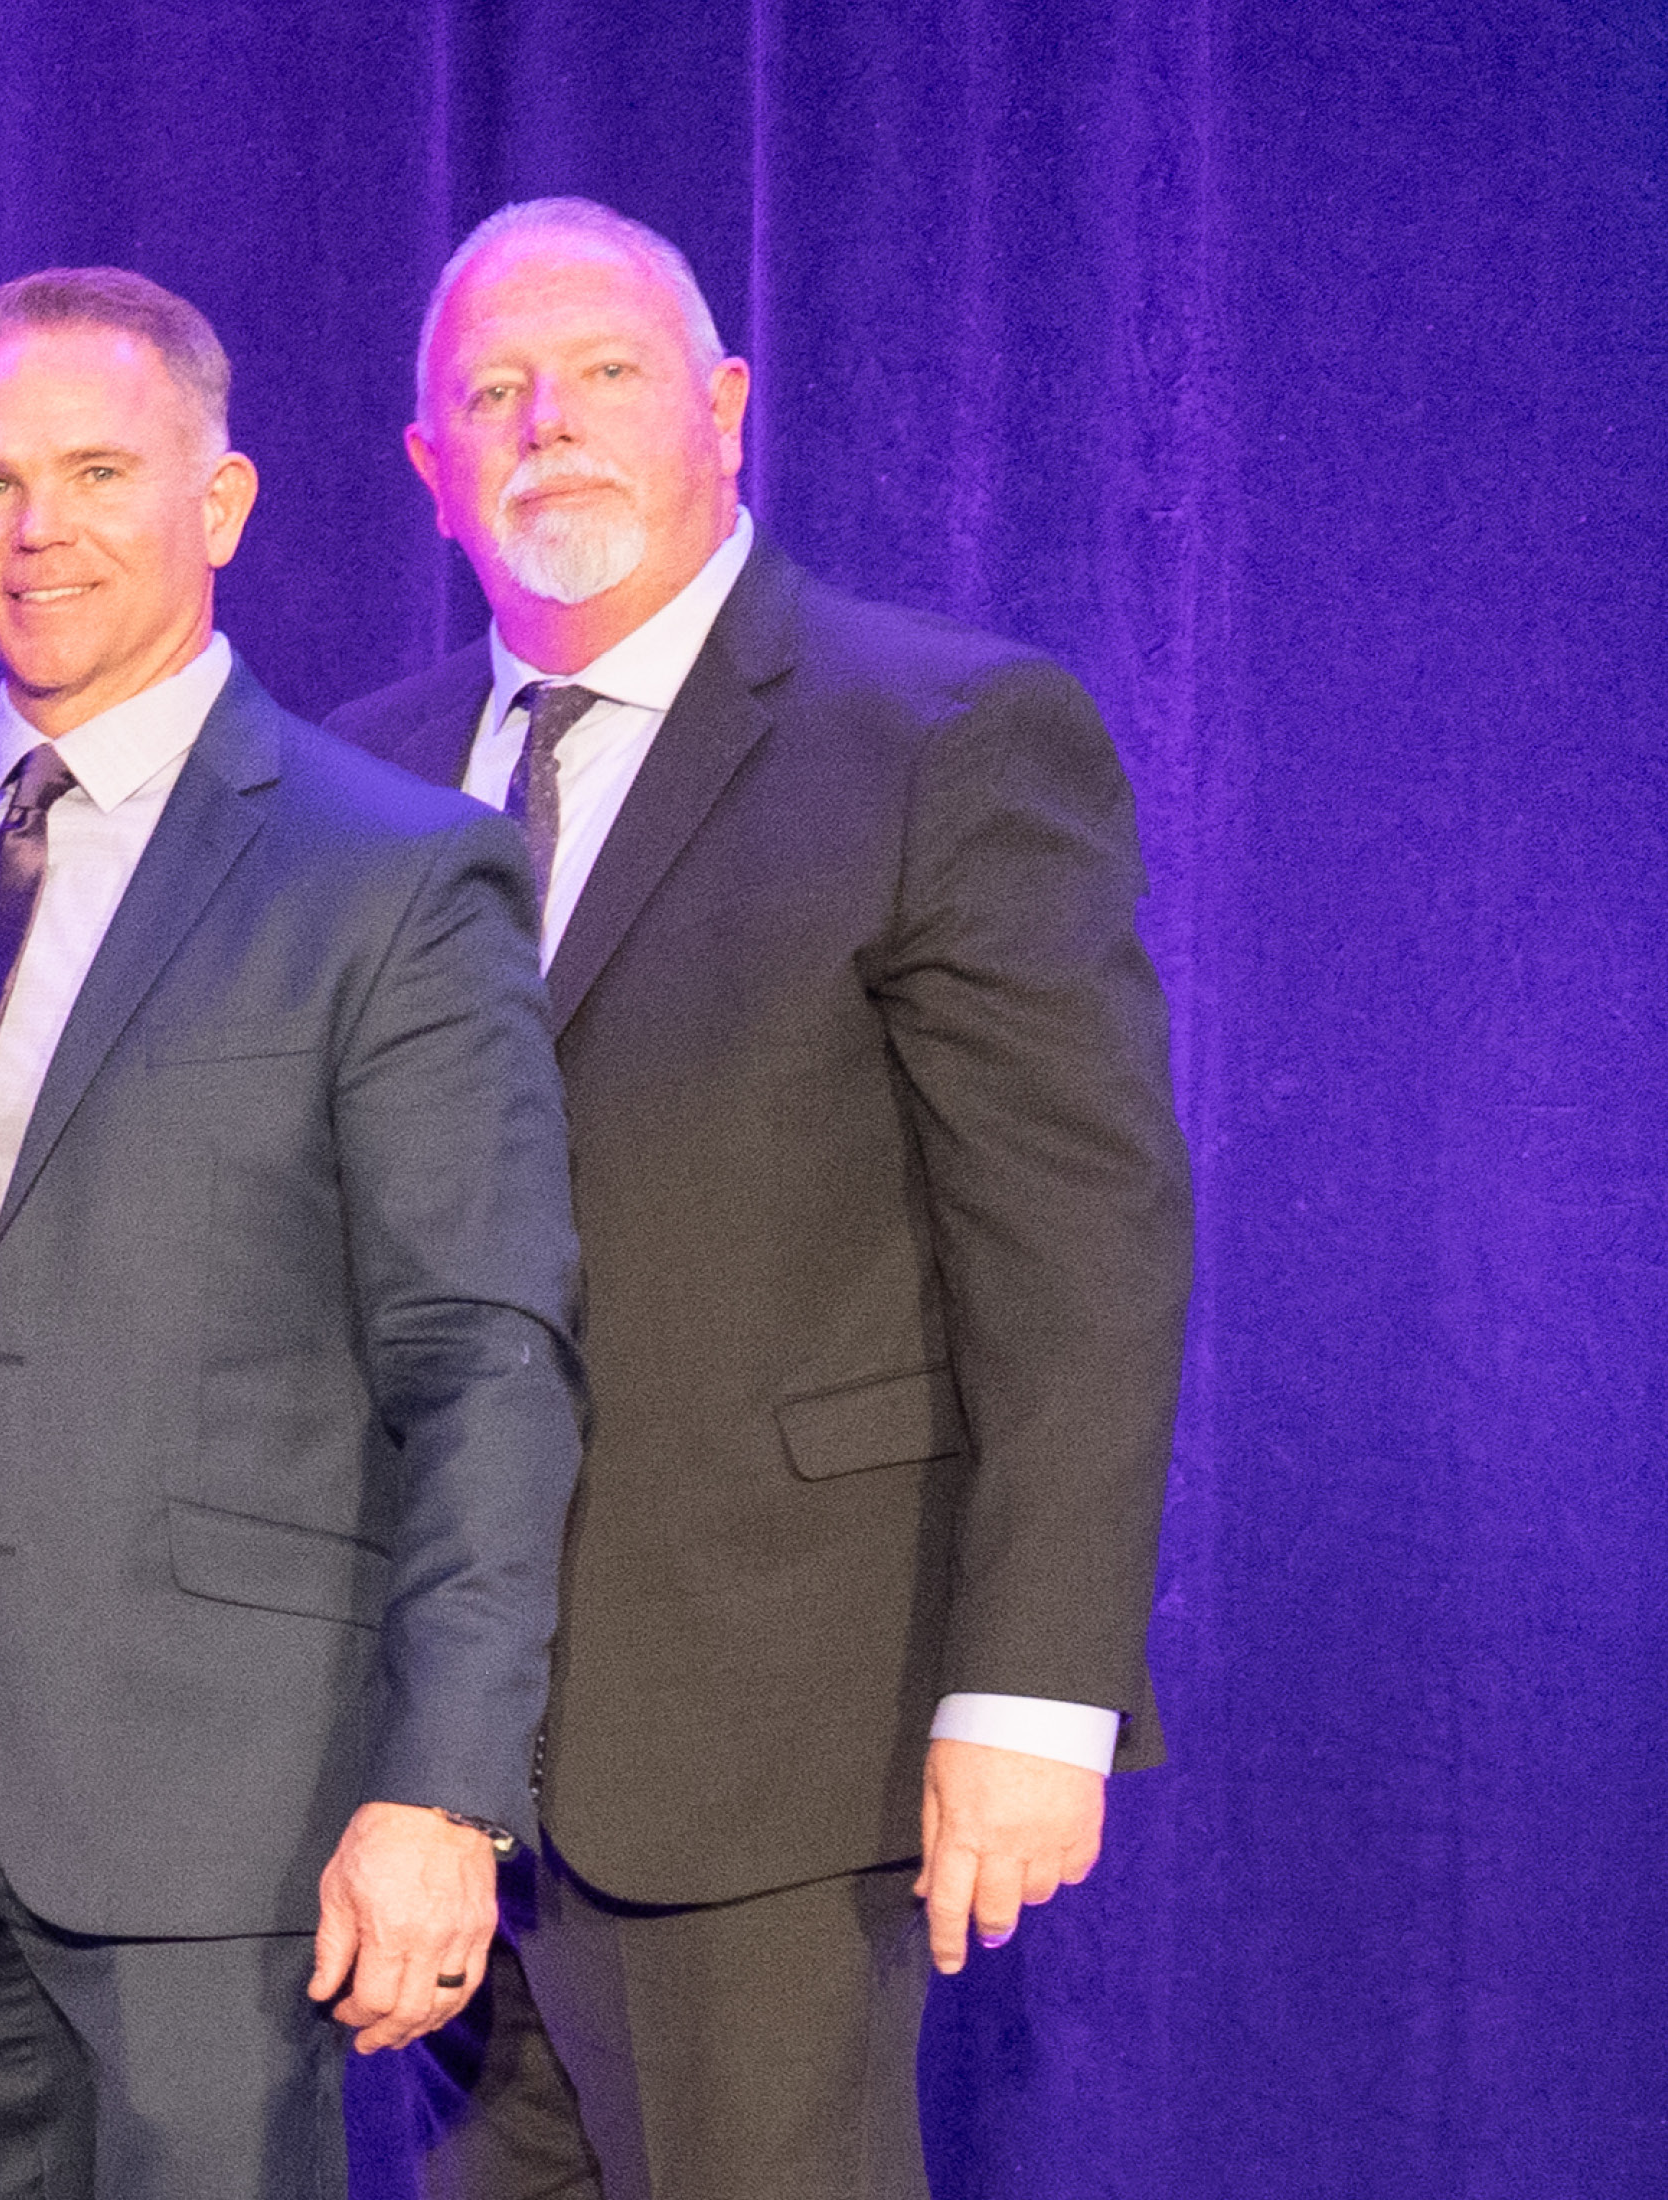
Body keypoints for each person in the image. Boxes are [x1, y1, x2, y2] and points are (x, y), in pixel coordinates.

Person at [335, 198, 1189, 2200]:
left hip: (777, 1732)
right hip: (428, 1769)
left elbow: (1077, 1252)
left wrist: (1036, 1687)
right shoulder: (348, 784)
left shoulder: (937, 737)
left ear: (722, 408)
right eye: (491, 390)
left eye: (603, 372)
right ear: (429, 466)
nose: (547, 422)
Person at [0, 267, 579, 2200]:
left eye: (97, 472)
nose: (37, 528)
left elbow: (483, 1364)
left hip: (221, 1789)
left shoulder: (387, 873)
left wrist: (445, 1788)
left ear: (219, 503)